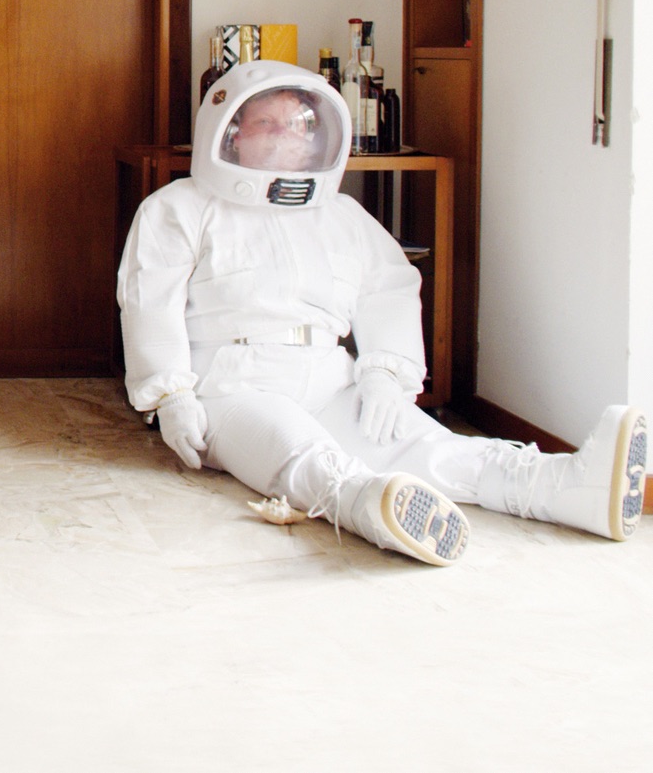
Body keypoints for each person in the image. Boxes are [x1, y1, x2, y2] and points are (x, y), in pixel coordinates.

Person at [118, 59, 647, 565]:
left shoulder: (342, 214)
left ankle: (568, 487)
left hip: (330, 377)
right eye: (267, 124)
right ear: (231, 133)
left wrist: (385, 374)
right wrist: (172, 395)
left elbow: (388, 289)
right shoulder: (178, 207)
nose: (286, 136)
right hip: (232, 385)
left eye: (299, 125)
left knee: (430, 448)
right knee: (302, 455)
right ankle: (373, 508)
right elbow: (149, 302)